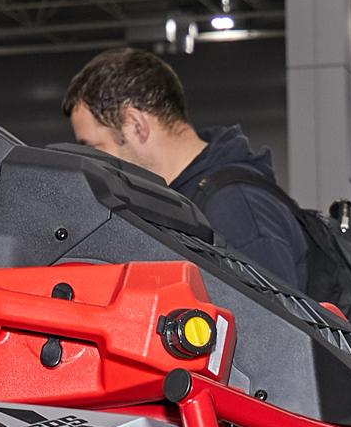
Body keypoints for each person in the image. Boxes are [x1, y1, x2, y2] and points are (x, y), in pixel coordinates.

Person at [62, 46, 306, 289]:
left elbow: (262, 315)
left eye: (93, 147)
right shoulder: (181, 204)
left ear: (136, 125)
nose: (93, 162)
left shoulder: (236, 210)